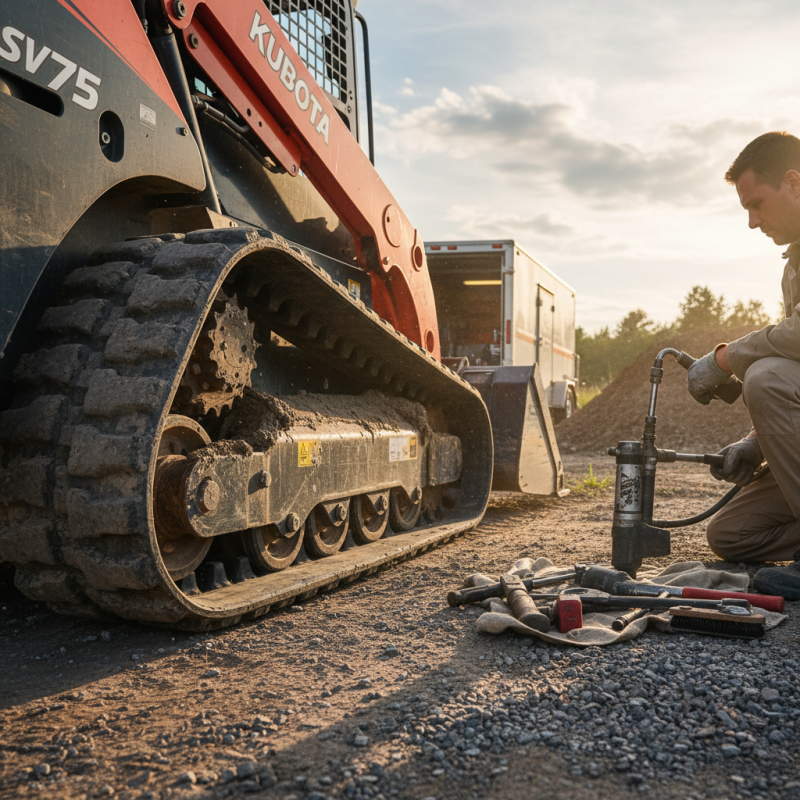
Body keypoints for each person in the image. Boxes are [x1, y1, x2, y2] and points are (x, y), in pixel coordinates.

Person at [686, 131, 800, 599]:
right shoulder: (793, 263)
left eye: (756, 204)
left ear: (793, 182)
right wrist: (757, 442)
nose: (752, 222)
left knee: (765, 376)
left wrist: (726, 357)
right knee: (732, 534)